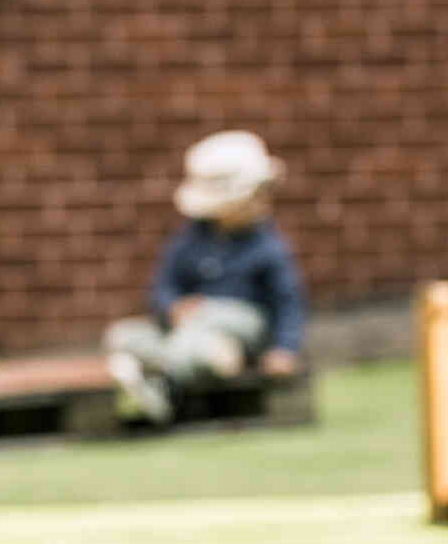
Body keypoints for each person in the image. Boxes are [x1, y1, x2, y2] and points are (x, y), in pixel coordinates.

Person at [104, 129, 308, 425]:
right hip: (189, 330)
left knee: (209, 316)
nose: (263, 202)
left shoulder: (269, 248)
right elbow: (164, 285)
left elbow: (287, 302)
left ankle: (158, 378)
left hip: (243, 326)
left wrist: (285, 349)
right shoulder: (188, 241)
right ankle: (185, 365)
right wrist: (173, 307)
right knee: (123, 335)